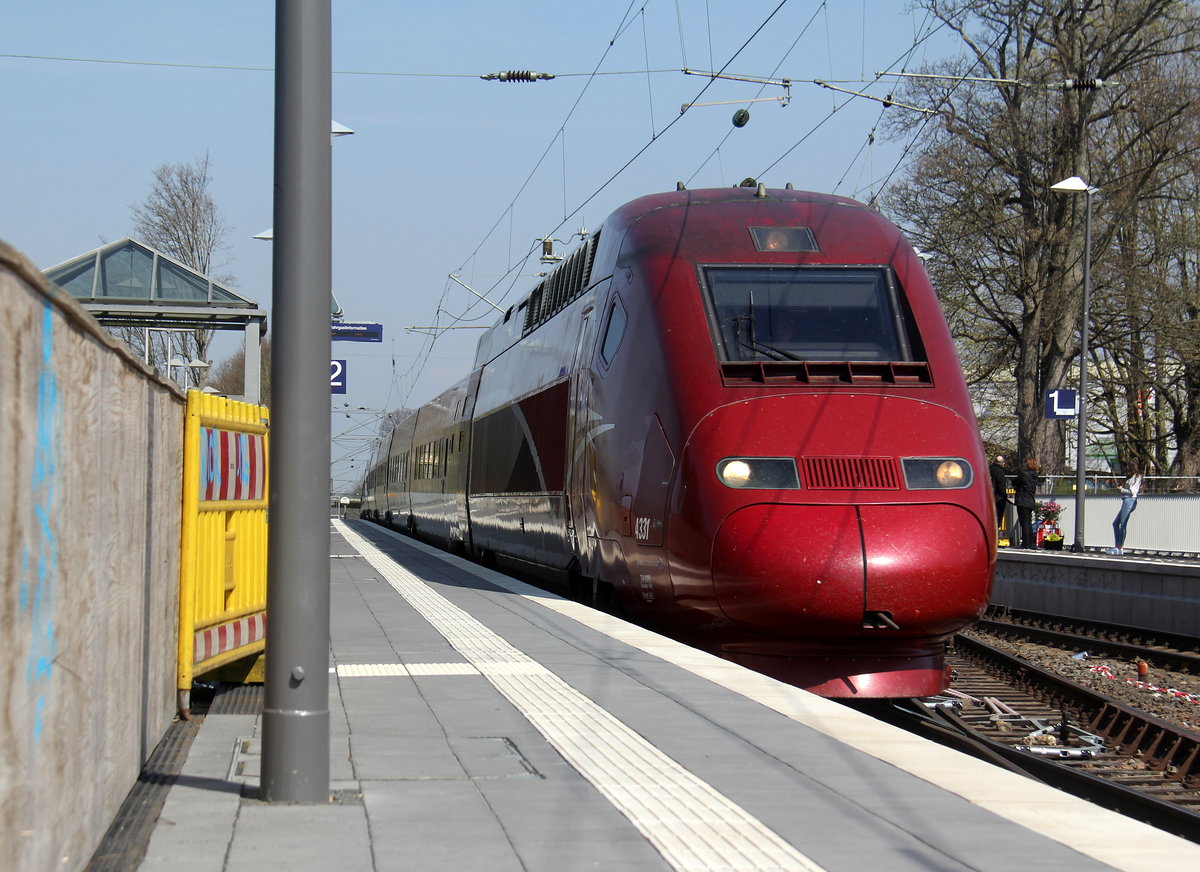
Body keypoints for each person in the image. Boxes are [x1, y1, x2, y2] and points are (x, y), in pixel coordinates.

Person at [1109, 460, 1143, 555]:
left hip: (1130, 500)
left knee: (1122, 524)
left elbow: (1132, 492)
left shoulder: (1136, 477)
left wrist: (1121, 490)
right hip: (1126, 500)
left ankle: (1119, 547)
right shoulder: (1131, 477)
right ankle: (1118, 545)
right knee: (1116, 523)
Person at [1013, 456, 1041, 549]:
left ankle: (1025, 544)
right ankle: (1029, 543)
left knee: (1024, 523)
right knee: (1028, 522)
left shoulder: (1024, 474)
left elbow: (1015, 481)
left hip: (1022, 500)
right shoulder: (1034, 476)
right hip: (1030, 500)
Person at [988, 455, 1010, 543]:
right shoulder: (1000, 471)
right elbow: (1001, 485)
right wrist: (1004, 495)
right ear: (1002, 463)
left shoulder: (989, 470)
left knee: (990, 519)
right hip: (998, 498)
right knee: (998, 519)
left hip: (990, 497)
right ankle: (994, 539)